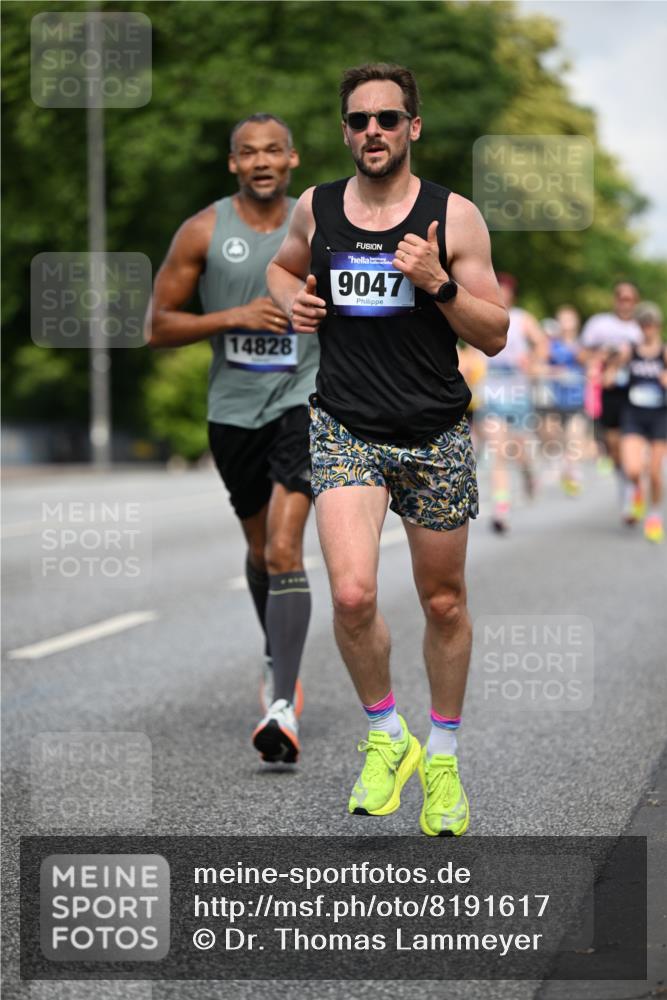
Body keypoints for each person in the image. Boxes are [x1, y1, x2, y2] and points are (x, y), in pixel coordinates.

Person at [267, 63, 507, 836]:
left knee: (443, 602)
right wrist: (293, 300)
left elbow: (494, 334)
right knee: (350, 596)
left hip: (433, 433)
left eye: (388, 118)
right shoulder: (315, 207)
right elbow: (281, 265)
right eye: (359, 119)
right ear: (345, 132)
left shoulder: (453, 216)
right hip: (345, 426)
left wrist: (438, 283)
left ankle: (441, 757)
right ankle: (384, 734)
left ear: (413, 127)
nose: (373, 130)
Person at [147, 114, 319, 764]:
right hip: (233, 412)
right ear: (233, 164)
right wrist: (233, 317)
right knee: (258, 550)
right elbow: (157, 326)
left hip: (305, 399)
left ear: (292, 158)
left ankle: (281, 701)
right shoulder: (203, 229)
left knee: (283, 546)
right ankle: (278, 652)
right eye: (248, 152)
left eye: (273, 150)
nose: (261, 161)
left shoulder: (318, 222)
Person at [480, 273, 547, 532]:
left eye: (505, 290)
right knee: (498, 452)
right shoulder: (483, 316)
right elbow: (473, 350)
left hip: (518, 393)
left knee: (519, 451)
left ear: (512, 294)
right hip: (492, 394)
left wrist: (532, 360)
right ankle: (501, 508)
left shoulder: (521, 319)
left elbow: (542, 344)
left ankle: (529, 472)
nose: (501, 294)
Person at [579, 282, 642, 517]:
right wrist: (602, 356)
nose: (625, 303)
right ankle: (625, 486)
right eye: (621, 298)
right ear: (615, 300)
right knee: (614, 446)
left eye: (629, 299)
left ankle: (633, 492)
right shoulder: (600, 324)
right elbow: (581, 354)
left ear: (635, 302)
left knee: (631, 445)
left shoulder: (640, 327)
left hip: (635, 393)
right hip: (608, 393)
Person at [608, 302, 666, 541]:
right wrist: (613, 369)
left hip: (659, 416)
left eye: (650, 324)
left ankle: (654, 515)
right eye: (643, 324)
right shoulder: (629, 350)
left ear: (658, 325)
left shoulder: (664, 352)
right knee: (632, 468)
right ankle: (637, 492)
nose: (647, 328)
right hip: (633, 414)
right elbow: (608, 377)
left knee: (654, 472)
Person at [537, 305, 587, 495]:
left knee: (574, 437)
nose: (566, 324)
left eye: (569, 319)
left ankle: (572, 472)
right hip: (554, 401)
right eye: (562, 319)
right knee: (550, 436)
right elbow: (536, 367)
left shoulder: (582, 345)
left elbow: (590, 363)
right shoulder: (550, 345)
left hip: (576, 400)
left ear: (576, 323)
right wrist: (553, 371)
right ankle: (557, 462)